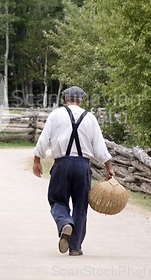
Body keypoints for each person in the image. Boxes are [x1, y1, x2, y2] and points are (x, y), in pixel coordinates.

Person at [32, 86, 115, 256]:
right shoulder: (90, 118)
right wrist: (109, 167)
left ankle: (64, 223)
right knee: (80, 205)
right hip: (82, 166)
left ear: (65, 98)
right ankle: (75, 247)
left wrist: (37, 160)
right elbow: (99, 146)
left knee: (57, 199)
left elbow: (44, 139)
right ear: (81, 100)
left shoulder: (56, 115)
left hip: (62, 165)